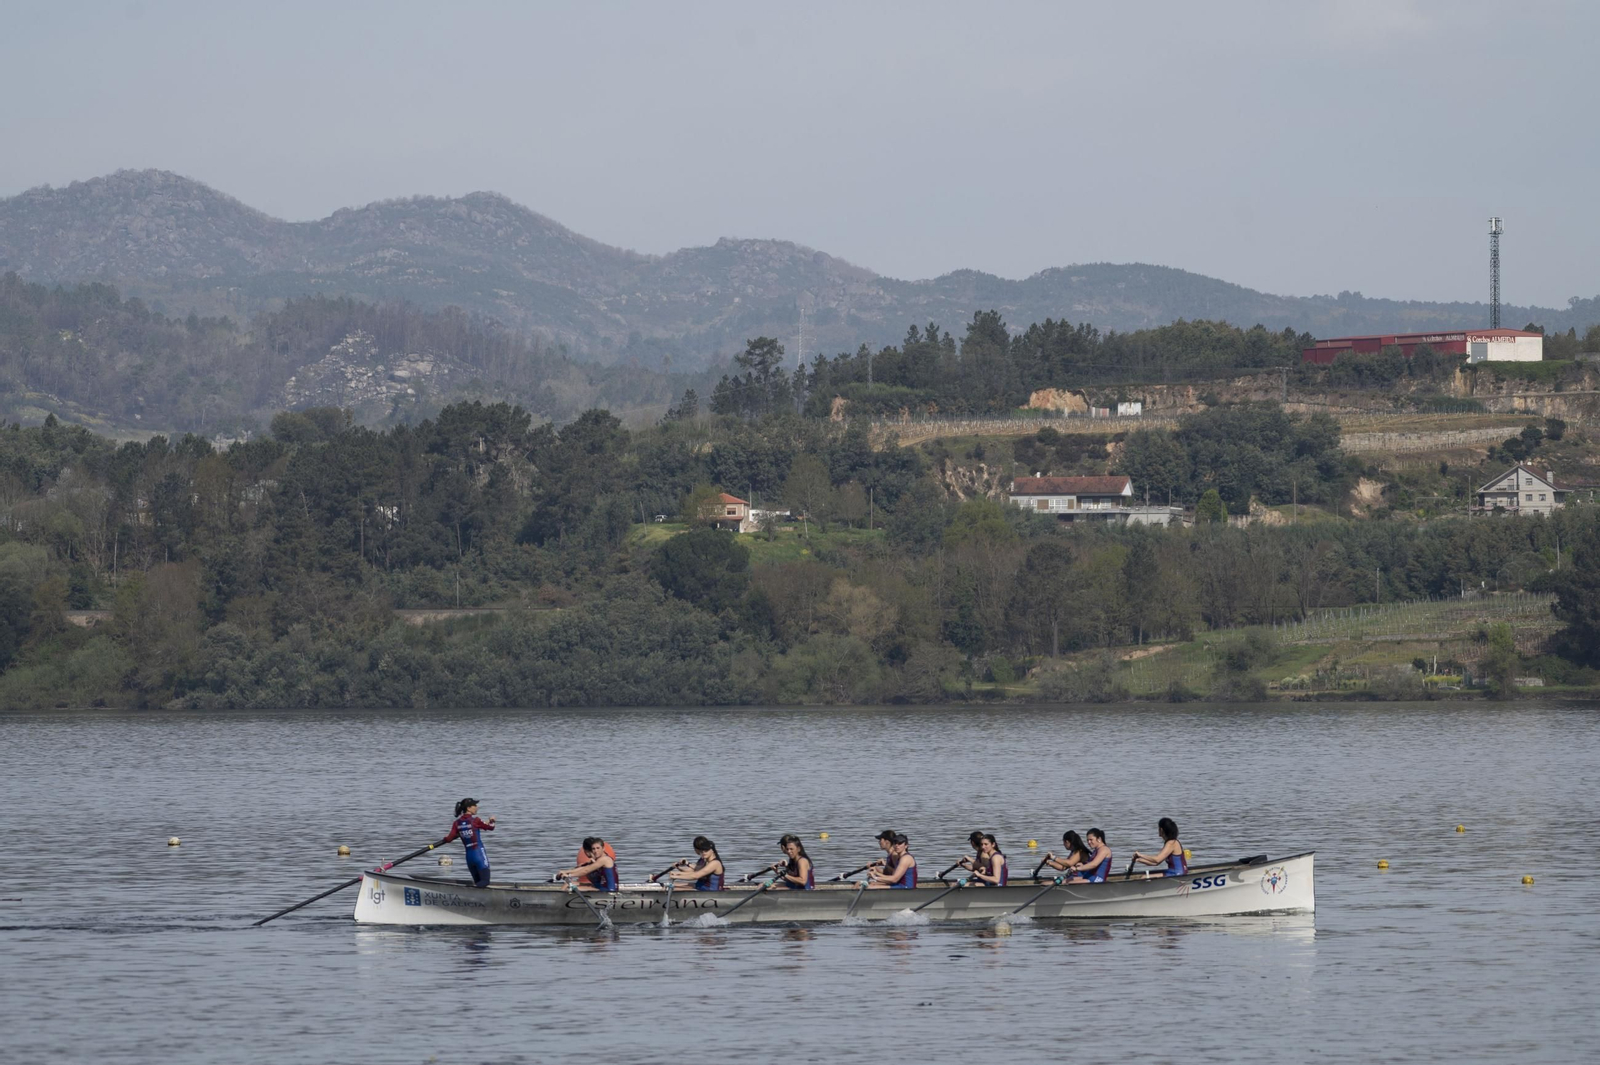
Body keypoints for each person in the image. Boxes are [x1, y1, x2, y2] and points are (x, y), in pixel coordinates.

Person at [443, 798, 496, 888]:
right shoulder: (476, 821)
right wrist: (492, 821)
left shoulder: (457, 823)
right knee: (485, 881)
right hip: (478, 854)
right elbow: (491, 827)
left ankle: (471, 895)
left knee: (479, 883)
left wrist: (446, 837)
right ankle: (467, 891)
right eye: (475, 805)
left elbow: (448, 839)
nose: (477, 807)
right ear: (468, 808)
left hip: (469, 857)